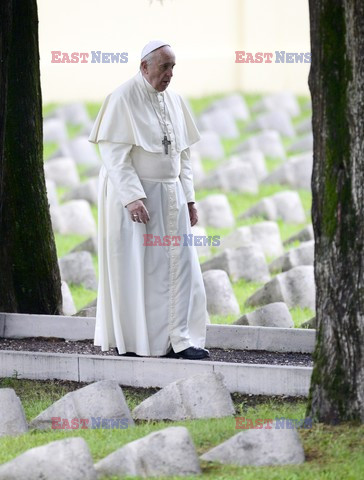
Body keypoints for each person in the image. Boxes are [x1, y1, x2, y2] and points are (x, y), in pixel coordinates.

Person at [88, 40, 209, 360]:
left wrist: (190, 199)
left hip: (171, 196)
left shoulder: (175, 100)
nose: (170, 74)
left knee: (182, 268)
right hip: (136, 198)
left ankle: (179, 340)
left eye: (173, 67)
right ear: (144, 67)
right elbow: (114, 156)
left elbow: (183, 156)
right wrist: (132, 198)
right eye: (164, 67)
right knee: (140, 270)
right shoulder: (121, 98)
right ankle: (139, 342)